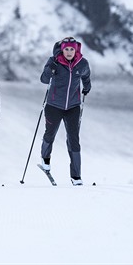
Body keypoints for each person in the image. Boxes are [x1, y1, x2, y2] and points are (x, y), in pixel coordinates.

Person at [39, 37, 91, 186]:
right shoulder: (54, 61)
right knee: (50, 134)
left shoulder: (82, 64)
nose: (69, 52)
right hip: (53, 106)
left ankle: (76, 176)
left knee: (74, 140)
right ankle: (45, 158)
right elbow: (43, 79)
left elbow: (86, 76)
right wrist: (50, 70)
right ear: (62, 50)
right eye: (66, 49)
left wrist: (87, 87)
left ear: (76, 50)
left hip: (73, 107)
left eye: (72, 49)